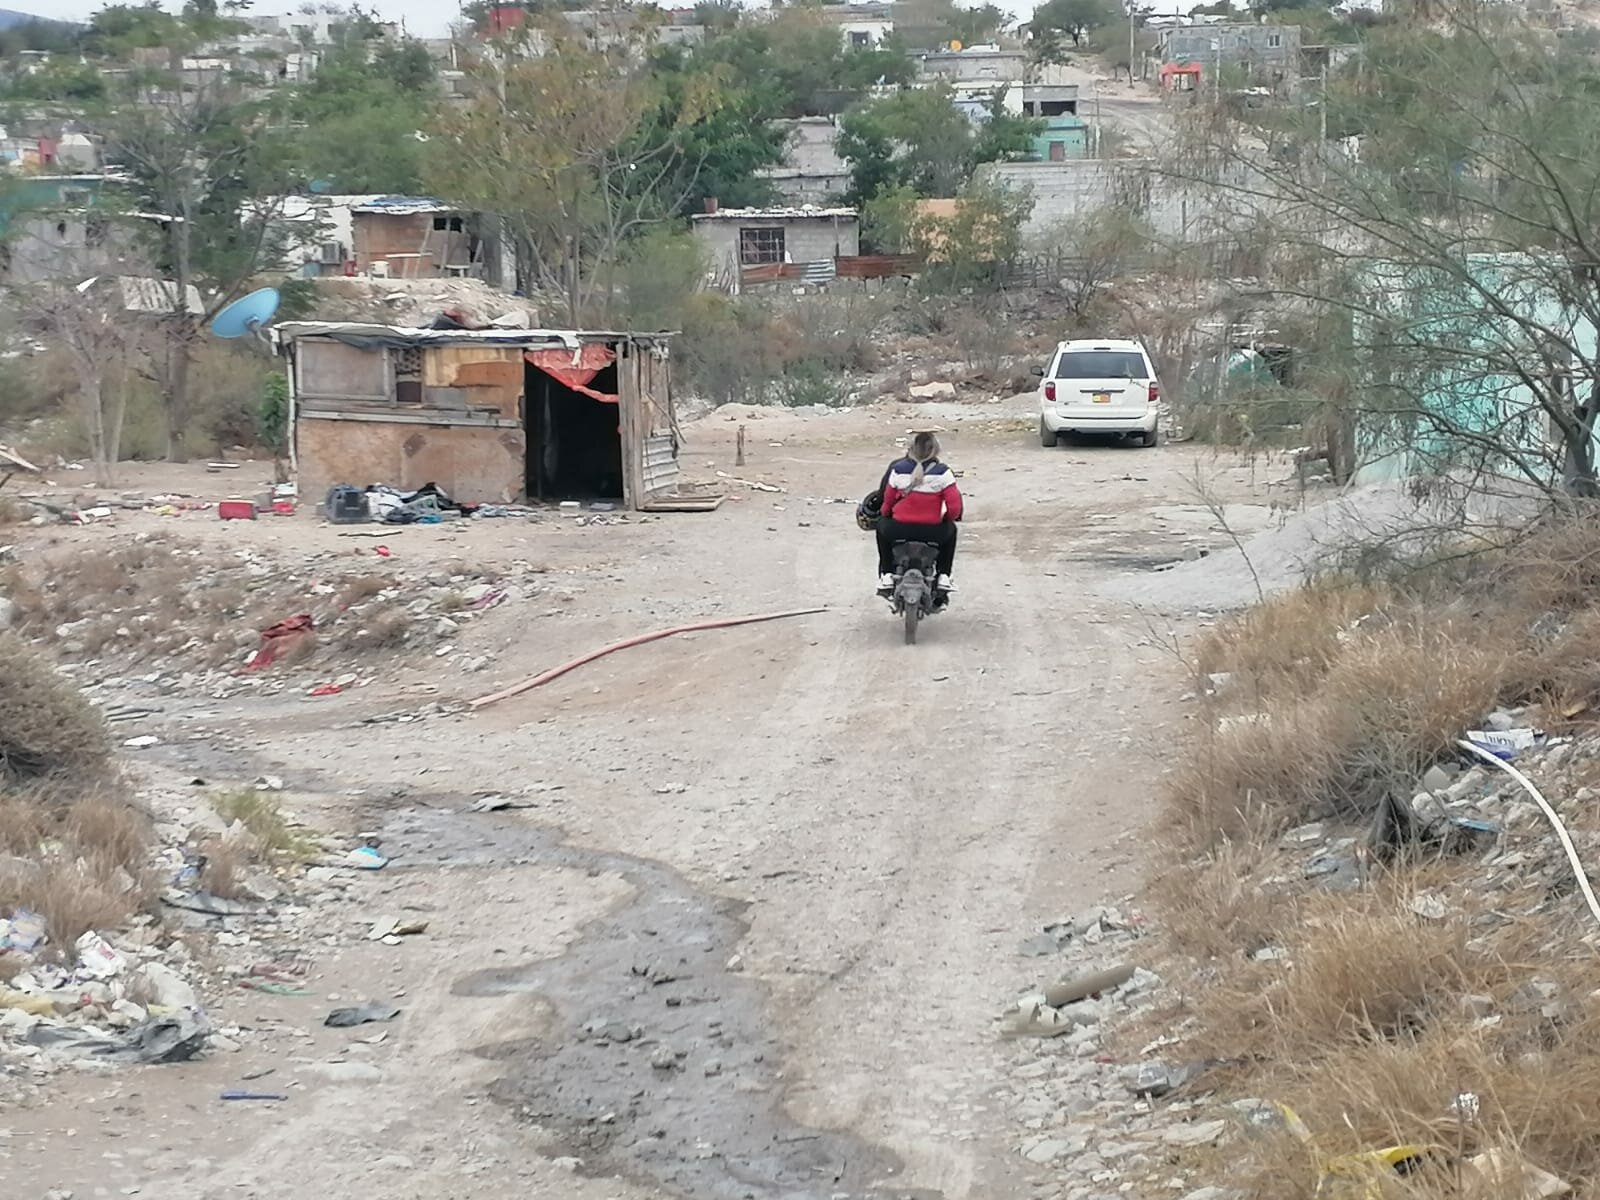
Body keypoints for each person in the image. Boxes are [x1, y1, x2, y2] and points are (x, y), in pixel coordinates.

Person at [875, 431, 963, 592]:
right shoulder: (943, 473)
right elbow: (955, 508)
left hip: (898, 529)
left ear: (911, 449)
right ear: (936, 450)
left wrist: (887, 515)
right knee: (951, 530)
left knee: (881, 525)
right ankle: (944, 575)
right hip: (932, 531)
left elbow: (887, 502)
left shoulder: (897, 470)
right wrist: (945, 519)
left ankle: (887, 574)